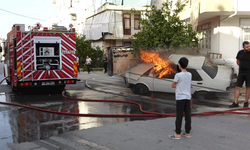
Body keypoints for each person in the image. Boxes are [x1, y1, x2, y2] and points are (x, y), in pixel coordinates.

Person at [169, 57, 192, 140]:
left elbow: (172, 85)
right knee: (187, 115)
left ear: (179, 65)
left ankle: (177, 134)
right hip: (187, 97)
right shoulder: (189, 74)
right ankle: (187, 133)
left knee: (179, 116)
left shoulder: (178, 75)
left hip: (180, 98)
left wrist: (176, 85)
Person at [229, 41, 250, 108]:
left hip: (249, 73)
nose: (248, 48)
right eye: (246, 47)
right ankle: (235, 103)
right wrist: (242, 66)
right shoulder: (240, 52)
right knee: (238, 87)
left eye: (249, 46)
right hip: (241, 72)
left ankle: (246, 102)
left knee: (248, 87)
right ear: (243, 47)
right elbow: (238, 61)